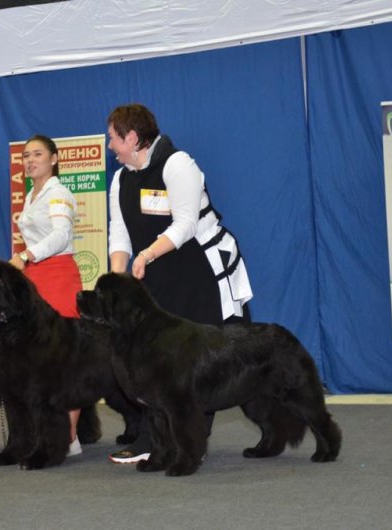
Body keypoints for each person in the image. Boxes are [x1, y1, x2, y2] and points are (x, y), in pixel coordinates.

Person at [106, 103, 253, 463]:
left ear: (133, 138)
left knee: (201, 359)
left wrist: (145, 256)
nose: (110, 146)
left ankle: (191, 441)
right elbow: (120, 234)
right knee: (152, 362)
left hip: (198, 271)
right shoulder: (121, 177)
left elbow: (186, 224)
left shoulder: (178, 165)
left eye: (113, 138)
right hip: (155, 275)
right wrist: (117, 277)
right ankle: (151, 439)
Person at [9, 134, 84, 457]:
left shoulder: (60, 193)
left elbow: (60, 235)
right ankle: (46, 431)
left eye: (37, 154)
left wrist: (25, 255)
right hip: (34, 279)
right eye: (25, 156)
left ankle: (69, 437)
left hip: (58, 277)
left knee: (64, 363)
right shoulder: (31, 196)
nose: (29, 160)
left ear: (54, 159)